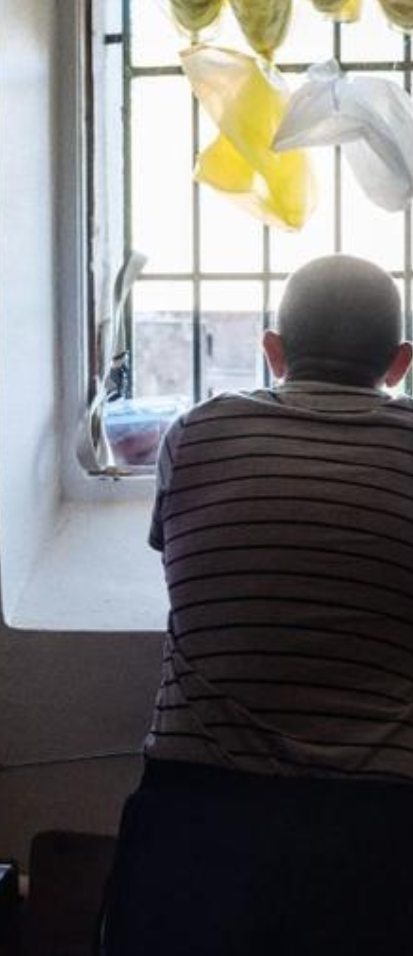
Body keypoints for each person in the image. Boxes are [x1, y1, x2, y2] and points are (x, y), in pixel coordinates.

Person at [99, 254, 413, 956]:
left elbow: (181, 563)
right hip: (382, 824)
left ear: (272, 351)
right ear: (400, 363)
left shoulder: (197, 433)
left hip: (197, 815)